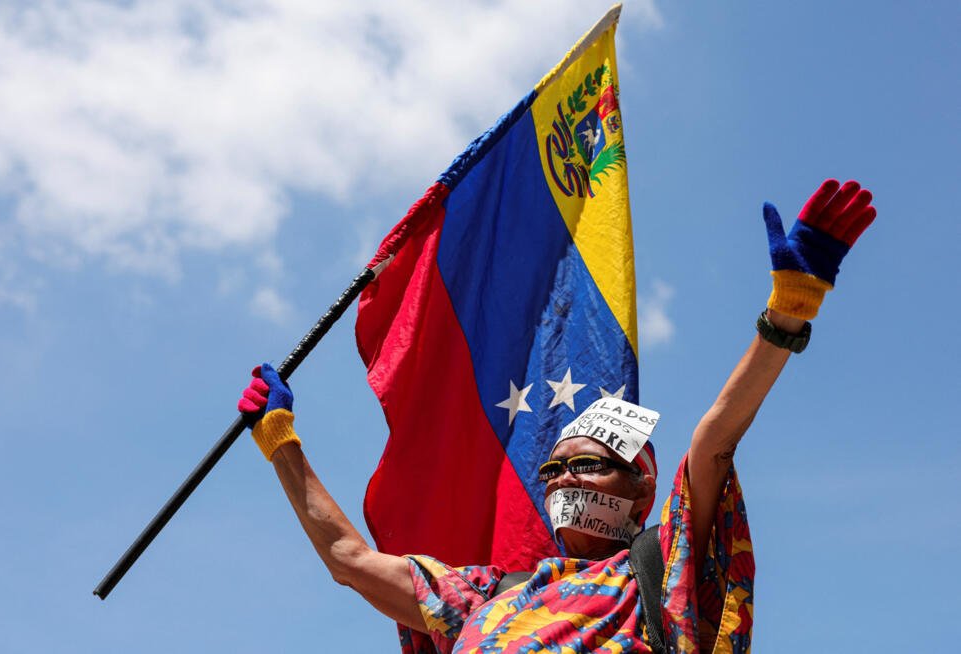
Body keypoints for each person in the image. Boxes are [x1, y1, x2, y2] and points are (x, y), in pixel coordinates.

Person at [237, 179, 876, 653]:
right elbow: (349, 559)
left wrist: (787, 313)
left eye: (590, 466)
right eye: (555, 468)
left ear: (642, 490)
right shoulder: (486, 596)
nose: (564, 480)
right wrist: (280, 440)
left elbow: (712, 442)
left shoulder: (660, 567)